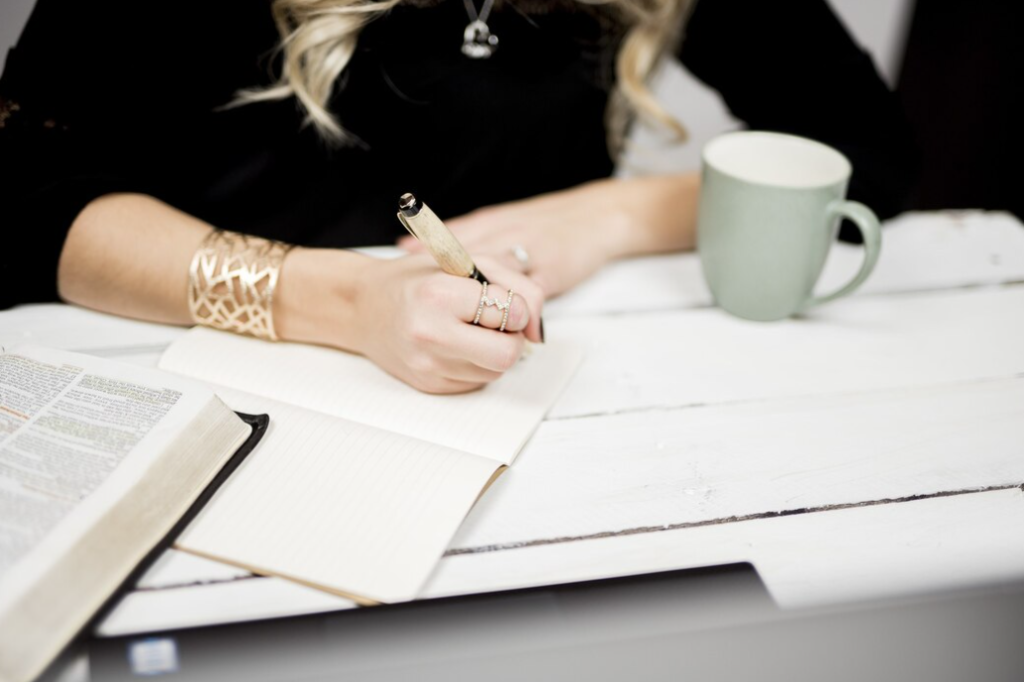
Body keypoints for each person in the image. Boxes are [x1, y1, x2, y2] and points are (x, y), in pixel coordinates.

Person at [0, 0, 917, 392]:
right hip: (184, 374)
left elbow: (870, 149)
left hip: (531, 397)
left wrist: (613, 215)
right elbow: (22, 200)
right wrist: (346, 301)